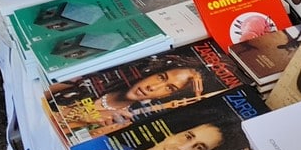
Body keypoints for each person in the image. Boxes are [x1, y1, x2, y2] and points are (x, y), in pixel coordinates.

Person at [48, 54, 208, 134]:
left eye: (169, 88)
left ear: (165, 97)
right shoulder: (87, 79)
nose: (153, 87)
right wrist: (80, 113)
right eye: (161, 77)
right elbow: (33, 96)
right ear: (150, 72)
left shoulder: (120, 123)